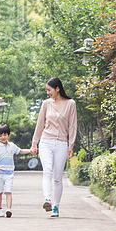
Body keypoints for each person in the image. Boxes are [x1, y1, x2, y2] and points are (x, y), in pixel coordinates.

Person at [31, 77, 78, 218]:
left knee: (58, 177)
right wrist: (34, 143)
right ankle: (47, 199)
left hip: (62, 143)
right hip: (46, 141)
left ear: (57, 89)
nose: (48, 93)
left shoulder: (71, 104)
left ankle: (56, 207)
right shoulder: (46, 104)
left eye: (49, 90)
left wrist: (71, 145)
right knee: (47, 171)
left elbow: (72, 125)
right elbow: (40, 124)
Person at [0, 123, 34, 218]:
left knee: (8, 191)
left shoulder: (12, 146)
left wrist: (30, 151)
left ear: (8, 135)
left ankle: (9, 209)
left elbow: (20, 151)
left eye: (5, 135)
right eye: (0, 135)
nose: (3, 137)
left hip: (9, 173)